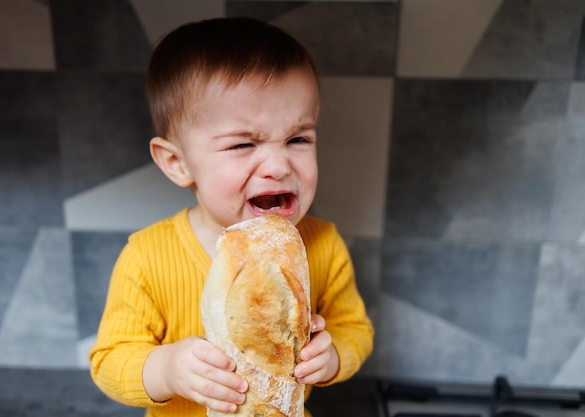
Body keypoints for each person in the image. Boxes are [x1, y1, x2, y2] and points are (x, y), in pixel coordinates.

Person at [89, 16, 374, 417]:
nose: (278, 165)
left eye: (298, 139)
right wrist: (166, 369)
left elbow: (355, 330)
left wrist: (333, 358)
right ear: (177, 162)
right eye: (243, 144)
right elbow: (109, 360)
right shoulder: (147, 257)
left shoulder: (323, 245)